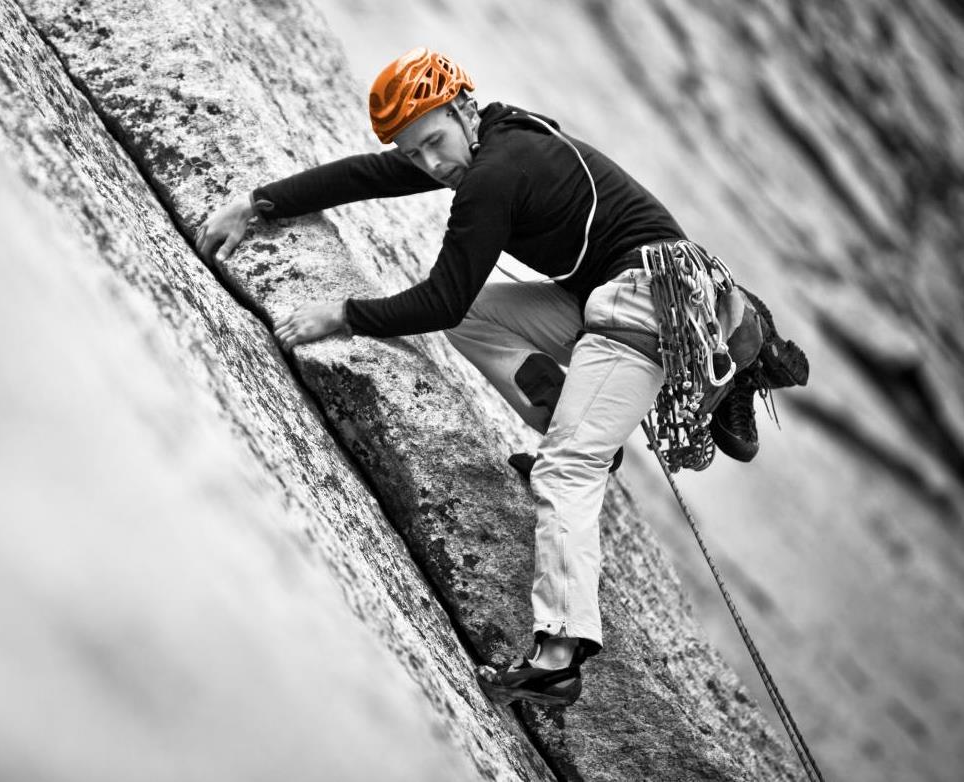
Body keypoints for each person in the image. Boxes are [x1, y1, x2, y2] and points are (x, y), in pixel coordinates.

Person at [196, 48, 770, 706]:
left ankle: (559, 655)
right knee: (474, 319)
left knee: (566, 471)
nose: (432, 165)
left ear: (464, 107)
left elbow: (437, 296)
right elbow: (369, 176)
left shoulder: (494, 171)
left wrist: (343, 314)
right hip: (625, 291)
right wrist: (259, 202)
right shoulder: (492, 138)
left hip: (647, 300)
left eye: (435, 142)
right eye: (416, 153)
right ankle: (586, 416)